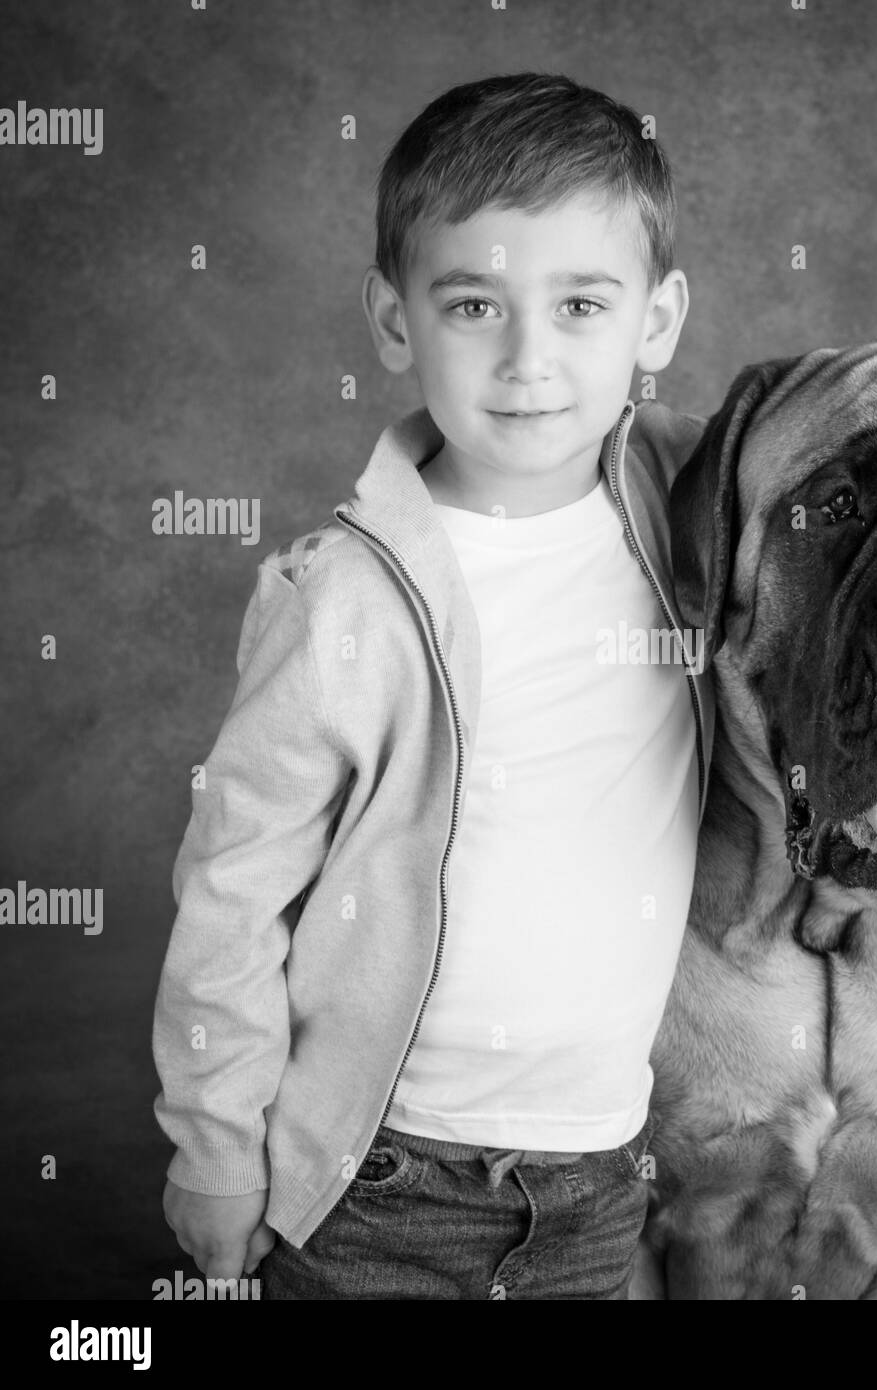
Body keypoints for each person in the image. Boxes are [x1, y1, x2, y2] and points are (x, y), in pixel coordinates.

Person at [152, 71, 713, 1300]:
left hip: (603, 1181)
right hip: (374, 1185)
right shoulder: (343, 596)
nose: (529, 359)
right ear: (396, 323)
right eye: (473, 305)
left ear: (655, 322)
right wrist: (213, 1148)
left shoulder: (690, 529)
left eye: (580, 304)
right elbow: (234, 888)